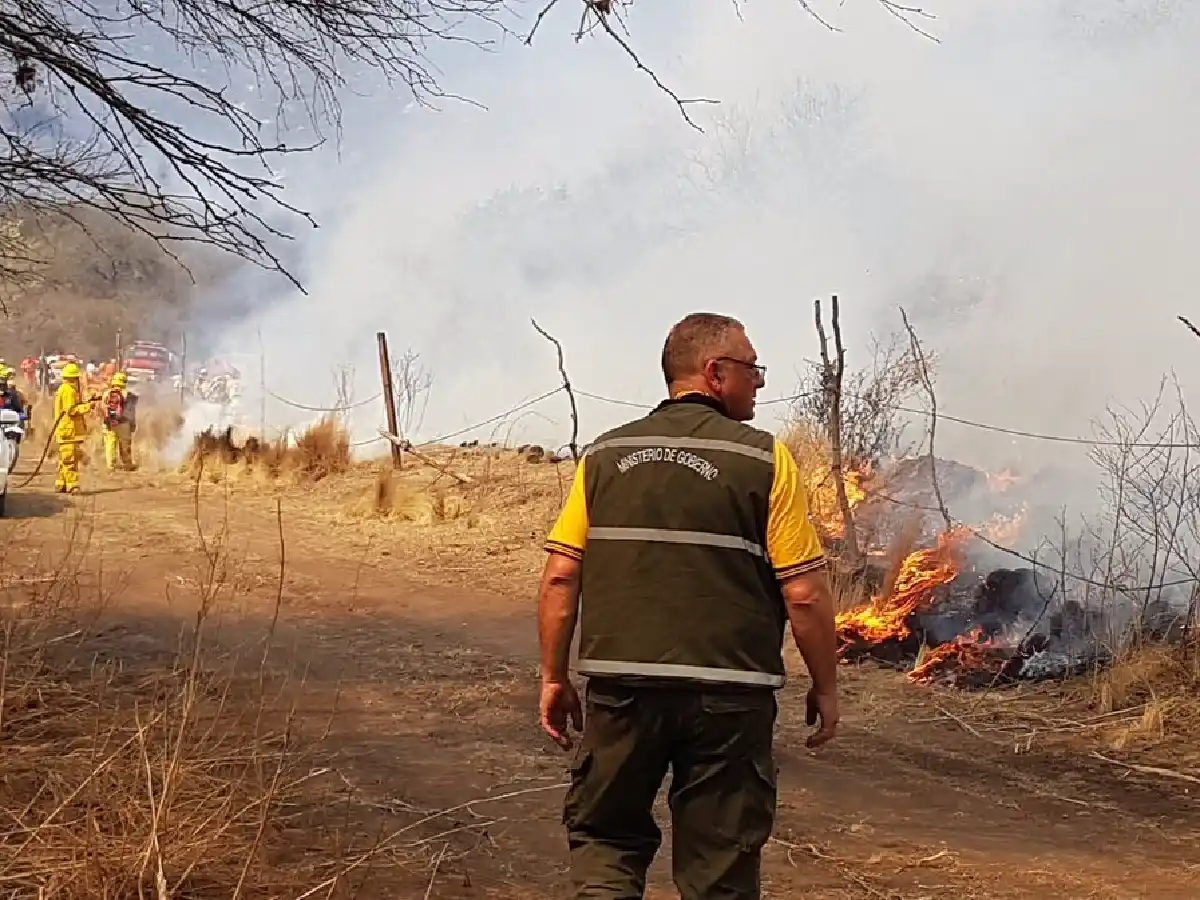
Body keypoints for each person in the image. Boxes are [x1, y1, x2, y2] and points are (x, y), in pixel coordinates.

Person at [537, 312, 841, 900]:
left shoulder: (603, 457)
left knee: (607, 844)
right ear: (715, 372)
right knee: (720, 868)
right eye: (752, 368)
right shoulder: (766, 460)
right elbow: (803, 593)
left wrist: (554, 676)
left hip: (622, 691)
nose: (760, 382)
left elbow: (559, 577)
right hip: (730, 699)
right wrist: (825, 686)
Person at [52, 362, 95, 494]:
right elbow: (71, 410)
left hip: (67, 431)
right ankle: (72, 485)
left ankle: (61, 483)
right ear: (74, 378)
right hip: (68, 431)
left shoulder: (66, 389)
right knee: (69, 460)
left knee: (65, 458)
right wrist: (88, 407)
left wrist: (87, 401)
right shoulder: (68, 390)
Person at [101, 371, 137, 471]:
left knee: (110, 444)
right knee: (125, 445)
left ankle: (110, 465)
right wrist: (133, 424)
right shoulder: (129, 395)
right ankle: (127, 464)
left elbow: (102, 408)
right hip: (124, 423)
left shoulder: (106, 394)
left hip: (108, 423)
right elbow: (131, 412)